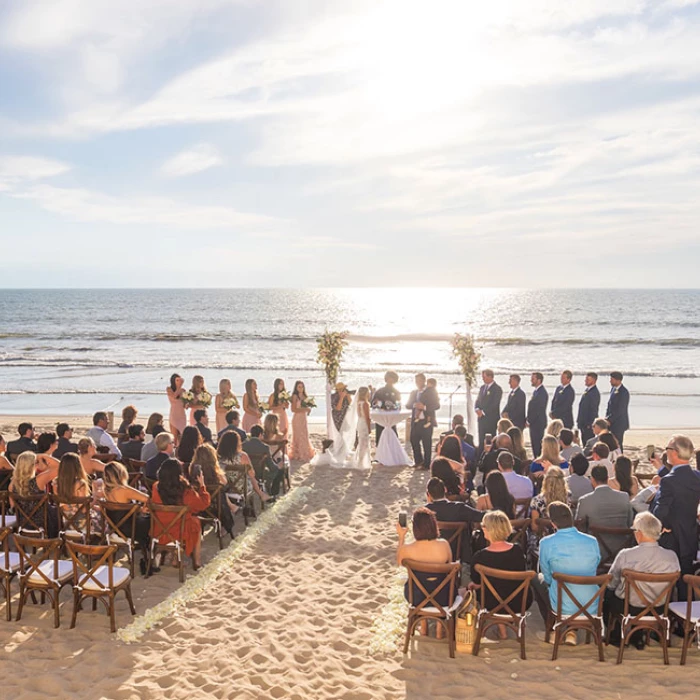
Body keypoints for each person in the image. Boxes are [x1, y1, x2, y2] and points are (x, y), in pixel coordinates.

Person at [605, 512, 681, 648]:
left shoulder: (626, 554)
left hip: (630, 608)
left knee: (608, 593)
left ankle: (616, 635)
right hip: (659, 608)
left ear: (639, 533)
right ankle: (638, 636)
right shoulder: (671, 556)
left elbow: (611, 582)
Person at [532, 502, 601, 641]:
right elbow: (595, 566)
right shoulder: (592, 541)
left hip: (562, 602)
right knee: (563, 584)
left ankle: (554, 629)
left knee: (536, 578)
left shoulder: (546, 542)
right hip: (591, 602)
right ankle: (571, 631)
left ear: (553, 523)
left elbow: (547, 577)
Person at [650, 434, 700, 599]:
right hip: (690, 534)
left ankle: (667, 615)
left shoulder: (668, 481)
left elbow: (660, 511)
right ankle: (685, 618)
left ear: (674, 453)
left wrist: (662, 523)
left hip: (671, 538)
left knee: (667, 579)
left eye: (668, 449)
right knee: (685, 579)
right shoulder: (696, 477)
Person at [470, 510, 533, 638]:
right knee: (504, 587)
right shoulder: (517, 551)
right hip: (518, 602)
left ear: (488, 530)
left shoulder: (480, 557)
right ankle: (505, 628)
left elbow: (476, 584)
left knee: (484, 589)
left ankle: (502, 631)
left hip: (491, 603)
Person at [396, 507, 453, 637]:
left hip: (416, 597)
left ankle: (424, 627)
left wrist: (401, 537)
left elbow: (399, 563)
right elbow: (449, 568)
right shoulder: (444, 545)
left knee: (422, 585)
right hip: (443, 597)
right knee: (441, 583)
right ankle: (439, 630)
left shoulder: (407, 549)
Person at [151, 458, 210, 570]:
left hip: (159, 530)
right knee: (195, 522)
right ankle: (197, 561)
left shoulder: (156, 487)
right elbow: (203, 504)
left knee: (183, 520)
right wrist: (202, 486)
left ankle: (175, 557)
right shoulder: (185, 491)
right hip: (179, 530)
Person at [575, 465, 634, 557]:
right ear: (607, 478)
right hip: (622, 548)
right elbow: (630, 522)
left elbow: (579, 527)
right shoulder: (624, 497)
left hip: (596, 550)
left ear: (592, 480)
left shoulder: (585, 500)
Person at [102, 461, 150, 573]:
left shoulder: (106, 491)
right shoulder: (124, 490)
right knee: (152, 520)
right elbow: (147, 498)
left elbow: (122, 510)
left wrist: (137, 509)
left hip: (115, 529)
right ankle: (151, 556)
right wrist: (140, 509)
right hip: (130, 530)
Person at [424, 477, 484, 556]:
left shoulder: (425, 512)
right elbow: (481, 516)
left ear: (428, 494)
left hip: (434, 555)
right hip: (460, 554)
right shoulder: (459, 508)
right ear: (445, 489)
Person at [218, 430, 272, 504]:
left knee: (249, 476)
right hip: (241, 489)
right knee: (251, 476)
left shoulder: (217, 456)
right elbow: (252, 473)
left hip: (224, 488)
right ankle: (262, 494)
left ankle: (262, 494)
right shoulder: (242, 456)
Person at [193, 443, 236, 537]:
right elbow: (225, 483)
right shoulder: (215, 471)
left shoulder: (193, 469)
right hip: (217, 507)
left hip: (200, 507)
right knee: (222, 492)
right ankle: (225, 525)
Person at [55, 453, 99, 534]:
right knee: (103, 518)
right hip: (81, 526)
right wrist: (95, 494)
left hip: (65, 524)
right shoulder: (80, 484)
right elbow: (84, 509)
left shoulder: (56, 483)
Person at [406, 372, 440, 468]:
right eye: (416, 381)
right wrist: (414, 405)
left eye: (420, 380)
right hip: (415, 421)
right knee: (413, 440)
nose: (417, 382)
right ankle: (418, 461)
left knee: (427, 443)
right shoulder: (414, 392)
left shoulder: (431, 391)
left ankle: (426, 464)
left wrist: (424, 407)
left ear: (424, 381)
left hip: (426, 421)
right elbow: (408, 405)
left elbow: (437, 405)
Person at [243, 425, 284, 497]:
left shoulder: (243, 445)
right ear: (260, 434)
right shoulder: (264, 447)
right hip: (260, 473)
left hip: (246, 473)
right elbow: (271, 466)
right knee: (279, 470)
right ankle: (272, 493)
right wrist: (278, 466)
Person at [474, 369, 502, 450]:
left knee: (490, 440)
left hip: (491, 419)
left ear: (490, 377)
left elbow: (495, 404)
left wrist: (483, 411)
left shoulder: (497, 389)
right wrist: (477, 409)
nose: (483, 379)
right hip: (481, 418)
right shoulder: (482, 388)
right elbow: (478, 400)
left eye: (484, 377)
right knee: (481, 438)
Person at [346, 386, 372, 471]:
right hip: (364, 423)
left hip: (360, 422)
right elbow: (367, 418)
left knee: (361, 442)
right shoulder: (365, 404)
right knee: (364, 443)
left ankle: (360, 461)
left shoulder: (358, 402)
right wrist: (369, 428)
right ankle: (361, 462)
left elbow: (360, 415)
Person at [289, 381, 315, 463]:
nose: (301, 388)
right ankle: (298, 453)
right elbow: (293, 409)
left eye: (302, 387)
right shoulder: (295, 396)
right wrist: (305, 409)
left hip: (303, 418)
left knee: (304, 434)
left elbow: (307, 406)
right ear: (296, 388)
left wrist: (308, 409)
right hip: (297, 418)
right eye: (299, 387)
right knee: (298, 435)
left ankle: (305, 452)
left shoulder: (305, 396)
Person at [372, 371, 401, 444]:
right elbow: (373, 404)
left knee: (393, 437)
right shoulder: (379, 391)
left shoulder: (396, 392)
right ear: (386, 379)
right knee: (380, 438)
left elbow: (398, 405)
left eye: (392, 379)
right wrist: (380, 406)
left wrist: (394, 408)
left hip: (391, 418)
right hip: (381, 417)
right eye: (389, 378)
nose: (390, 380)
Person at [526, 373, 548, 460]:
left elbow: (538, 410)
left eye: (533, 379)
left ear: (539, 380)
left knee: (537, 445)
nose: (531, 380)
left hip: (538, 423)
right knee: (534, 444)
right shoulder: (536, 391)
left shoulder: (542, 393)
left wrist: (529, 420)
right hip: (534, 423)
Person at [606, 372, 630, 450]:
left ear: (618, 380)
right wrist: (606, 418)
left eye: (612, 379)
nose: (610, 381)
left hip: (619, 423)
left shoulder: (624, 392)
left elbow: (620, 409)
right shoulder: (613, 389)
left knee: (618, 443)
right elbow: (610, 405)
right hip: (611, 422)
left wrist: (610, 420)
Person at [577, 372, 601, 446]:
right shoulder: (587, 390)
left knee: (588, 443)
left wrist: (590, 423)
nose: (585, 381)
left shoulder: (594, 393)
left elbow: (593, 409)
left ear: (594, 380)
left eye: (588, 379)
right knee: (584, 441)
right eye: (586, 379)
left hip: (588, 424)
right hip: (583, 422)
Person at [167, 374, 187, 444]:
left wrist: (187, 404)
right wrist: (179, 386)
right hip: (174, 415)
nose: (179, 381)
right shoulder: (169, 389)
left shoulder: (183, 390)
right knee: (174, 437)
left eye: (180, 379)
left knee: (182, 436)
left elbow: (185, 404)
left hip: (182, 415)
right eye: (177, 380)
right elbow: (174, 396)